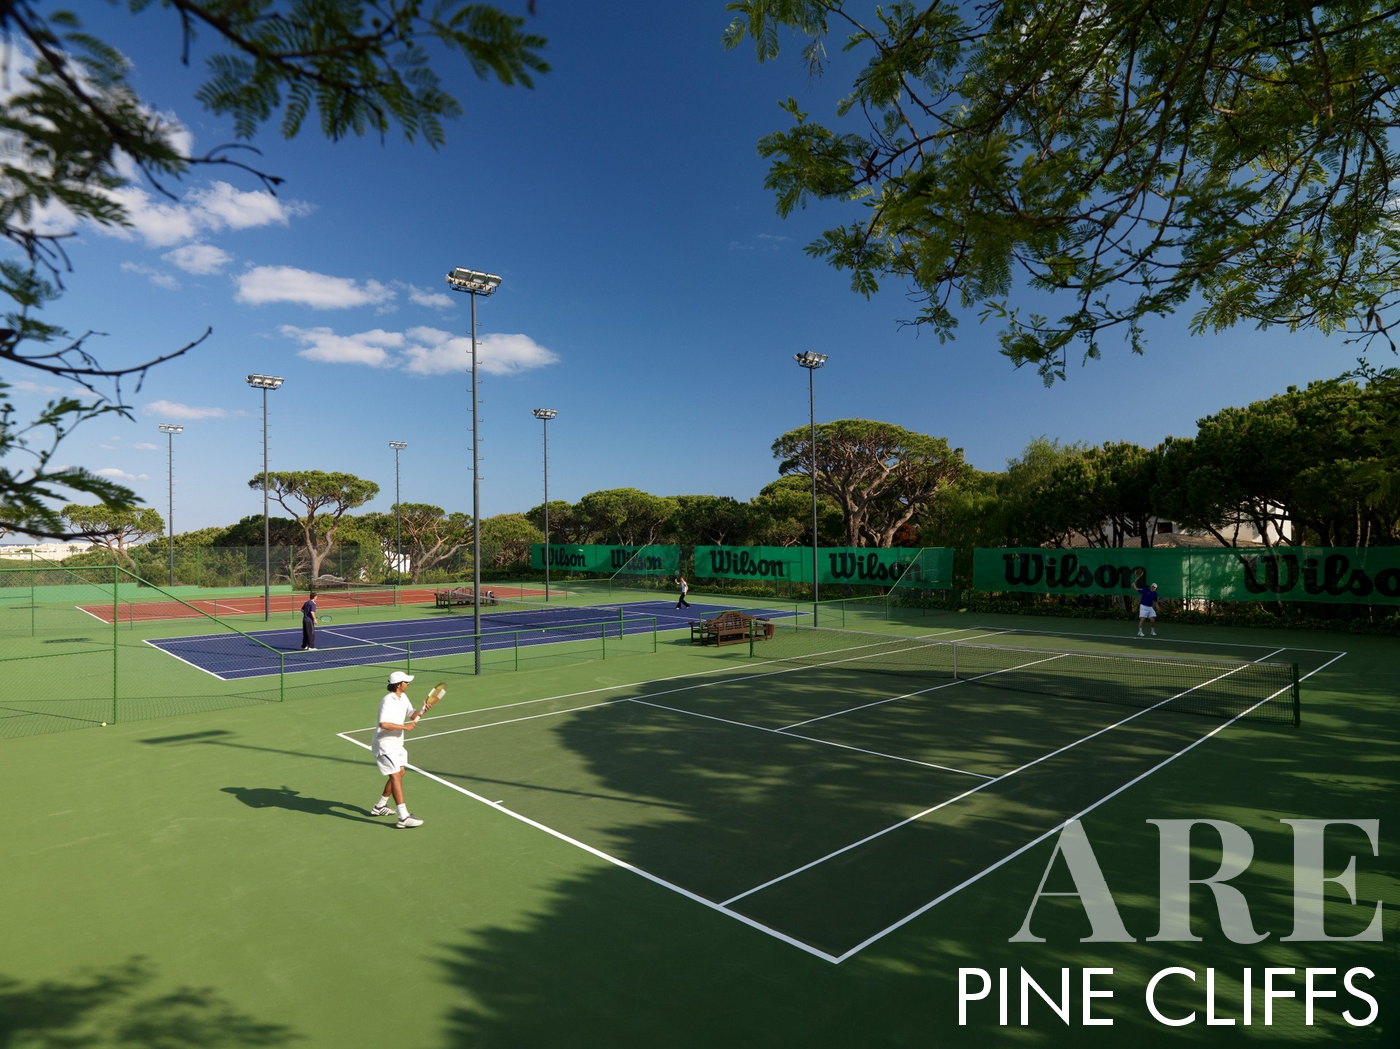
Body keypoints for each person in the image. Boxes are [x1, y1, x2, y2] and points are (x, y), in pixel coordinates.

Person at [370, 670, 424, 828]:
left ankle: (380, 806)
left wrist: (421, 711)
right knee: (395, 775)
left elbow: (411, 714)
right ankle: (403, 817)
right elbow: (384, 724)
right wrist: (404, 727)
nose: (408, 684)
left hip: (397, 744)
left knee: (400, 773)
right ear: (399, 685)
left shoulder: (403, 697)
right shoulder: (387, 701)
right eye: (406, 682)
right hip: (384, 745)